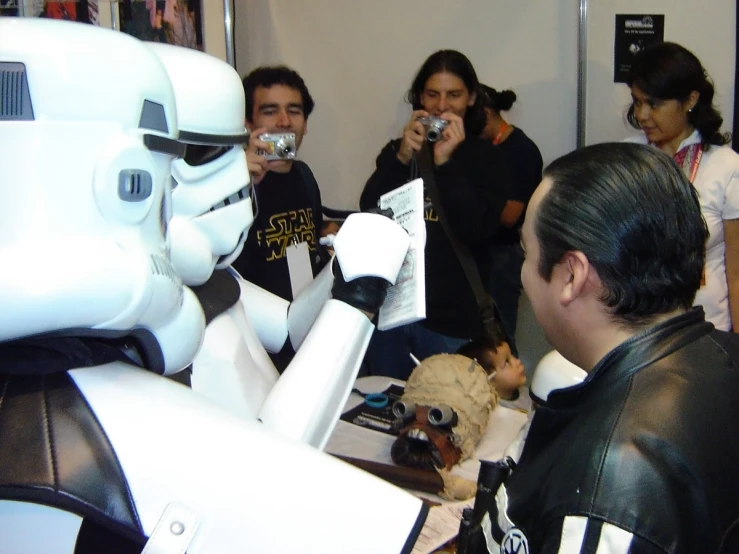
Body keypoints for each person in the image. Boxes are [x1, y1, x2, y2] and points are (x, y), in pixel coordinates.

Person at [0, 18, 429, 553]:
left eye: (234, 150)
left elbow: (293, 325)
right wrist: (356, 297)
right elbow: (267, 469)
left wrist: (344, 269)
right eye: (203, 154)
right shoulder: (124, 341)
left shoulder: (206, 289)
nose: (237, 181)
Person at [460, 142, 739, 553]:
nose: (523, 273)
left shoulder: (608, 477)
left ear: (572, 275)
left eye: (527, 252)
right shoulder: (724, 355)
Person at [360, 50, 512, 380]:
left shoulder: (486, 158)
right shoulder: (400, 151)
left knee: (449, 412)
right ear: (419, 98)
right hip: (394, 312)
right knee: (390, 407)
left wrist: (445, 164)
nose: (441, 106)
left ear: (471, 98)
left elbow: (479, 228)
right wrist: (400, 158)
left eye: (454, 95)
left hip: (454, 319)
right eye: (432, 94)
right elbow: (370, 213)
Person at [624, 41, 739, 333]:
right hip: (638, 327)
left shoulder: (726, 166)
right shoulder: (626, 159)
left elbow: (736, 274)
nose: (642, 115)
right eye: (637, 102)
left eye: (654, 103)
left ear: (690, 99)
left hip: (706, 326)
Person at [231, 65, 329, 371]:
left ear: (305, 123)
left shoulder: (304, 176)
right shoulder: (230, 181)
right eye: (270, 111)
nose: (284, 121)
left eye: (294, 111)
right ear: (249, 122)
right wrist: (235, 181)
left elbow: (300, 249)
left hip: (300, 331)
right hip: (249, 340)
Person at [479, 85, 544, 353]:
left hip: (503, 255)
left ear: (486, 112)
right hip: (478, 251)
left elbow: (510, 215)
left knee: (499, 336)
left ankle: (507, 391)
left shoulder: (522, 150)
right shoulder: (479, 150)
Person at [456, 333, 531, 413]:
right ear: (488, 380)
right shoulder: (491, 412)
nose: (518, 362)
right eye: (507, 362)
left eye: (512, 355)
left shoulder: (526, 393)